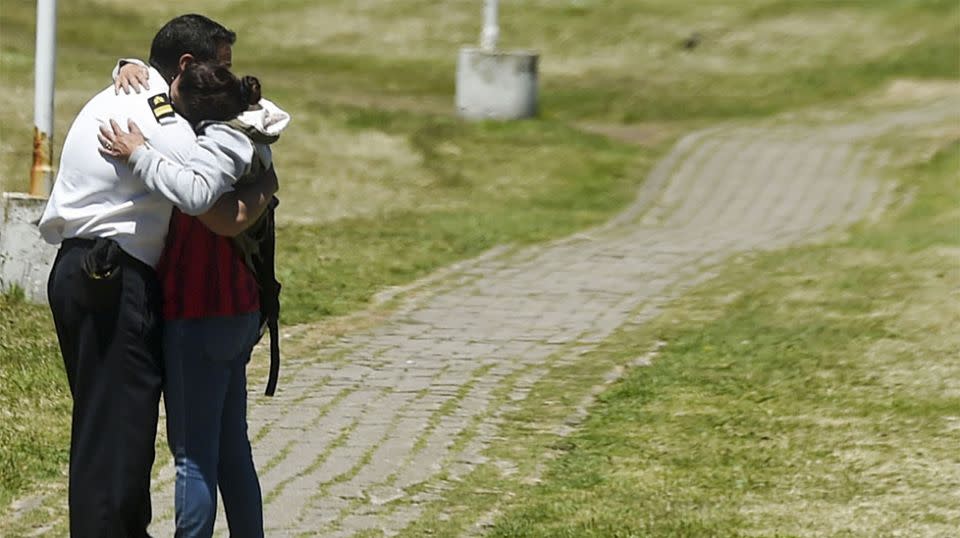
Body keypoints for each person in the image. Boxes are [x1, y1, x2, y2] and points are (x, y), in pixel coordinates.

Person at [38, 14, 277, 537]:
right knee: (119, 433)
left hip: (84, 271)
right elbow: (203, 196)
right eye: (223, 69)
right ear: (187, 67)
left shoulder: (134, 91)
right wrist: (262, 177)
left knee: (109, 426)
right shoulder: (156, 112)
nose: (229, 84)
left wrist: (126, 64)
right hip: (111, 276)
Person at [98, 61, 290, 537]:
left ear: (191, 108)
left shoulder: (213, 148)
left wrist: (139, 153)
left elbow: (196, 196)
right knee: (230, 450)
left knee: (193, 458)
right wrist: (129, 66)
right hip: (239, 310)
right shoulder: (246, 134)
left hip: (200, 310)